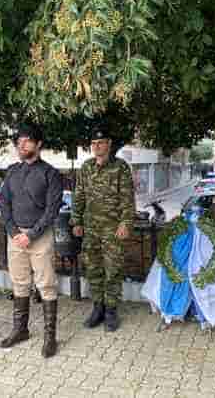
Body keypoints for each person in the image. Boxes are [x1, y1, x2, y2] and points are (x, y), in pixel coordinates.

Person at [0, 123, 63, 358]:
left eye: (26, 141)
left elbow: (52, 210)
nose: (21, 145)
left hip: (40, 236)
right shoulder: (12, 171)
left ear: (39, 144)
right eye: (18, 142)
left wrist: (31, 234)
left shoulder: (51, 174)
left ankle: (50, 337)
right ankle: (20, 330)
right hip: (16, 236)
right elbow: (3, 202)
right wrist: (13, 231)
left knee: (46, 284)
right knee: (19, 282)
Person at [71, 128, 135, 332]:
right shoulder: (86, 167)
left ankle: (111, 311)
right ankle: (98, 308)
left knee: (113, 270)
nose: (96, 146)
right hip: (90, 229)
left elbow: (127, 198)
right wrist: (76, 221)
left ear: (109, 144)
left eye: (100, 142)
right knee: (93, 269)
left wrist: (125, 223)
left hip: (112, 229)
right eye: (93, 143)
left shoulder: (120, 167)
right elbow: (79, 195)